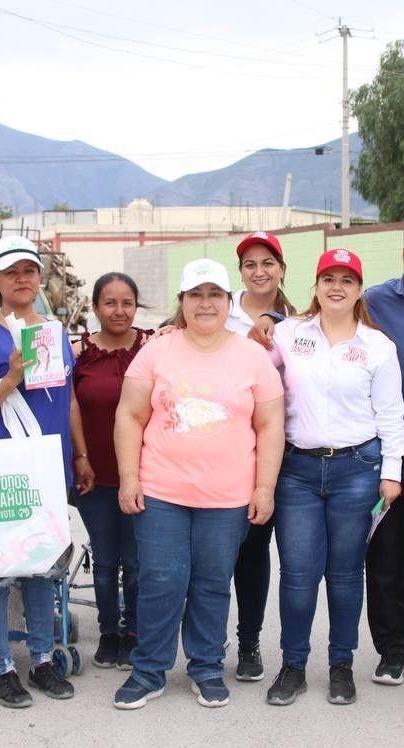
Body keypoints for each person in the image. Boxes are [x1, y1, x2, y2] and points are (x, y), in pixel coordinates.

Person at [113, 259, 284, 710]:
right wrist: (129, 477)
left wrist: (264, 488)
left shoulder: (252, 356)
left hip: (227, 495)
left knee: (212, 581)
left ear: (229, 302)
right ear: (182, 303)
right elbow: (129, 415)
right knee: (161, 579)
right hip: (162, 490)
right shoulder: (157, 350)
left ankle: (206, 666)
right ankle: (148, 669)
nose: (205, 303)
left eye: (214, 295)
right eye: (196, 295)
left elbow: (270, 426)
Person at [262, 249, 404, 706]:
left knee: (346, 575)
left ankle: (341, 664)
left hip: (357, 470)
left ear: (359, 289)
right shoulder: (287, 335)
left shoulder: (378, 346)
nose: (337, 287)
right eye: (329, 278)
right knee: (299, 574)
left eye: (347, 279)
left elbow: (391, 417)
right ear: (317, 286)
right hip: (297, 471)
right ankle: (293, 665)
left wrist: (392, 473)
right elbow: (248, 370)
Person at [0, 235, 77, 708]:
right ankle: (2, 665)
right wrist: (10, 376)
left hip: (49, 462)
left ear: (40, 277)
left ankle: (43, 659)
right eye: (11, 273)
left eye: (29, 271)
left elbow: (67, 401)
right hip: (6, 470)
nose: (22, 279)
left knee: (43, 565)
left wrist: (80, 455)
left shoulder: (55, 332)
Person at [71, 272, 152, 669]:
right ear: (95, 307)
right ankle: (108, 633)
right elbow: (66, 406)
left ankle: (135, 631)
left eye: (127, 303)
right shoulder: (77, 353)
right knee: (104, 558)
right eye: (110, 303)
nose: (119, 311)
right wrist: (79, 457)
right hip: (95, 474)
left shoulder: (155, 346)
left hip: (145, 474)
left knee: (137, 561)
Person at [227, 231, 296, 681]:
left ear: (282, 269)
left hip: (275, 450)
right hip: (223, 450)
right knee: (217, 552)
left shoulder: (299, 322)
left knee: (255, 551)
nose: (259, 271)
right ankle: (209, 642)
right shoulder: (218, 308)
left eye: (267, 262)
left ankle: (249, 640)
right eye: (250, 264)